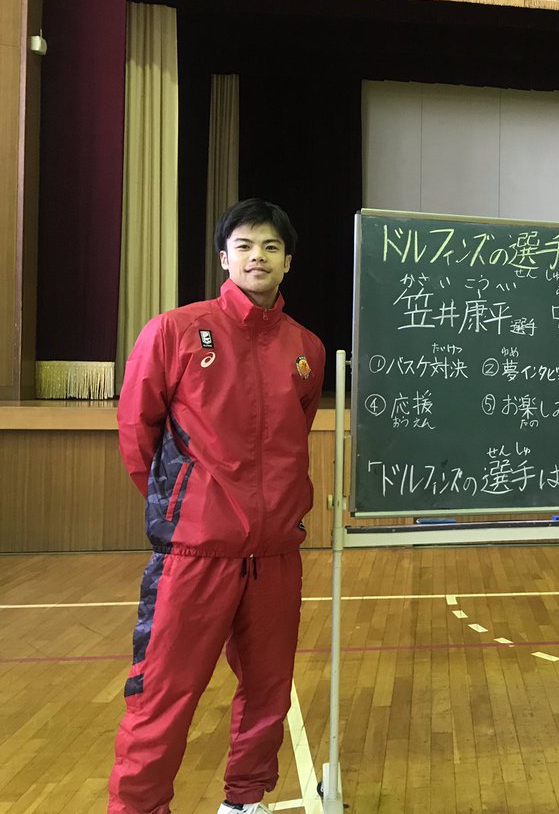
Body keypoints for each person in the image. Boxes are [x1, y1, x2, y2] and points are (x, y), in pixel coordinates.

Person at [109, 199, 326, 814]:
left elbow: (297, 432)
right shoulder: (176, 331)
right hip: (194, 556)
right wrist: (185, 508)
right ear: (224, 258)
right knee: (162, 695)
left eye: (272, 247)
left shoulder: (305, 347)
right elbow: (137, 431)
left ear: (288, 262)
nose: (259, 257)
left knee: (268, 695)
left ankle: (245, 801)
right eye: (245, 246)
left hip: (275, 556)